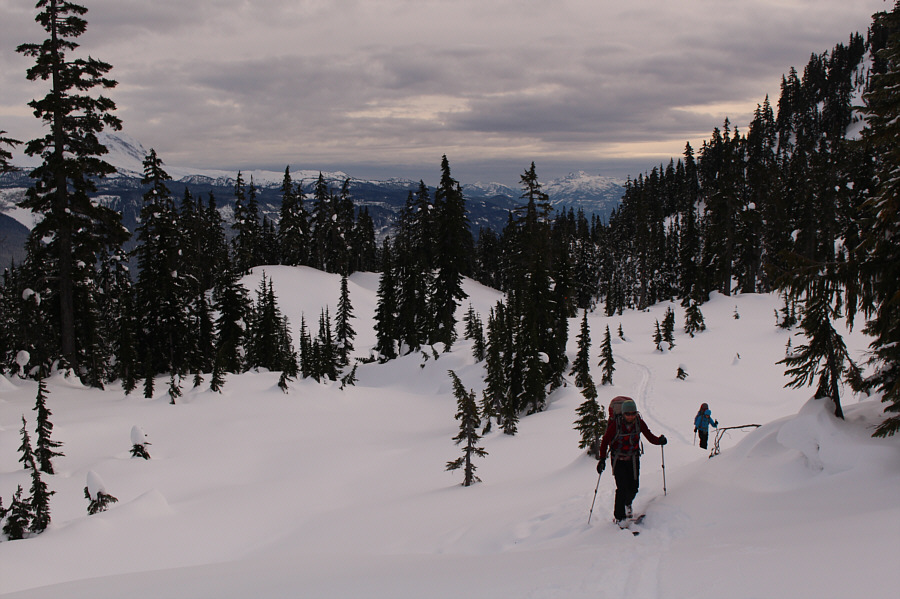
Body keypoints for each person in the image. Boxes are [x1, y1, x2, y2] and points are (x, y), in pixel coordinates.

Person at [596, 398, 667, 527]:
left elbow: (649, 435)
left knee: (634, 488)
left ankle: (627, 504)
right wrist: (602, 459)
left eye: (633, 413)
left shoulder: (639, 423)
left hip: (633, 459)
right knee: (622, 488)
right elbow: (605, 440)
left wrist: (659, 441)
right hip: (618, 460)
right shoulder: (616, 425)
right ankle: (619, 517)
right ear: (623, 414)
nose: (630, 416)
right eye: (628, 414)